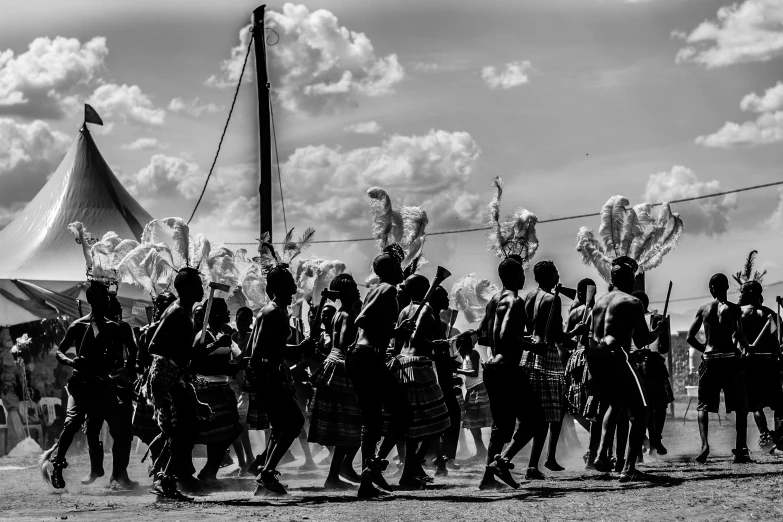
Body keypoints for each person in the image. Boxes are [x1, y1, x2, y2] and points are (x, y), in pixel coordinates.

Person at [45, 281, 135, 491]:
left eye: (107, 298)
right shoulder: (78, 325)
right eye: (102, 298)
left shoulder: (114, 328)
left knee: (119, 430)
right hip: (80, 385)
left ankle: (118, 474)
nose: (106, 301)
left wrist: (117, 368)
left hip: (103, 386)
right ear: (93, 301)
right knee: (72, 423)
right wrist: (70, 361)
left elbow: (121, 355)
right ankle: (57, 465)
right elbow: (60, 351)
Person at [587, 257, 667, 481]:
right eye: (633, 277)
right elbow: (642, 340)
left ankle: (602, 454)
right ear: (628, 279)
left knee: (615, 403)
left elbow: (593, 335)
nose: (635, 281)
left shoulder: (600, 302)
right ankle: (628, 468)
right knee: (642, 410)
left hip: (595, 358)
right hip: (617, 356)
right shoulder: (632, 302)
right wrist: (659, 330)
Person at [345, 245, 414, 498]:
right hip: (367, 357)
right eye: (397, 266)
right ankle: (374, 466)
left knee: (373, 422)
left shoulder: (381, 290)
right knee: (403, 413)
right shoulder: (386, 289)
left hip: (363, 358)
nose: (402, 269)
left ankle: (367, 479)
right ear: (388, 270)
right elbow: (362, 320)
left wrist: (396, 332)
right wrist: (395, 332)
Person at [478, 255, 548, 490]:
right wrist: (532, 345)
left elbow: (483, 336)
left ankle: (488, 478)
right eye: (519, 272)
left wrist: (517, 339)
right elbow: (507, 334)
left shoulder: (492, 301)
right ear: (510, 276)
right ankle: (503, 461)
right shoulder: (514, 301)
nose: (523, 276)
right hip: (507, 368)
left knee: (501, 425)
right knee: (536, 420)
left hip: (491, 368)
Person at [247, 260, 314, 496]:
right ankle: (266, 473)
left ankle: (265, 476)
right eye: (288, 287)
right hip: (268, 376)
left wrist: (297, 349)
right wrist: (297, 349)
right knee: (294, 422)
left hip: (269, 375)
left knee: (281, 426)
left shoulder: (272, 311)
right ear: (276, 289)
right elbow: (259, 352)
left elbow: (262, 347)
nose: (294, 291)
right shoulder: (273, 311)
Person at [146, 267, 210, 500]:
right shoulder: (176, 312)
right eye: (198, 285)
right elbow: (154, 345)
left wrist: (197, 351)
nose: (203, 288)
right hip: (166, 377)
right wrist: (189, 352)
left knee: (186, 429)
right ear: (186, 288)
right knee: (184, 429)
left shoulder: (187, 312)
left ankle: (166, 479)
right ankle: (165, 480)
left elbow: (186, 353)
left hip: (175, 377)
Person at [521, 261, 586, 476]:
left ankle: (541, 460)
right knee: (553, 411)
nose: (559, 275)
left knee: (539, 413)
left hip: (528, 353)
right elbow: (558, 335)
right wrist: (577, 330)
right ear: (549, 276)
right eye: (556, 272)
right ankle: (541, 461)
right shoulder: (552, 299)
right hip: (547, 355)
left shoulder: (529, 296)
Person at [686, 273, 751, 464]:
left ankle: (705, 445)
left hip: (710, 360)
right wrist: (746, 349)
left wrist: (705, 350)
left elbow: (690, 337)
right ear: (727, 288)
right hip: (730, 360)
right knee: (741, 406)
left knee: (703, 405)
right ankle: (740, 450)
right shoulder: (734, 309)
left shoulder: (704, 309)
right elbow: (739, 334)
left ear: (711, 289)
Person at [308, 274, 363, 489]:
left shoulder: (342, 313)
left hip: (336, 366)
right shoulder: (348, 314)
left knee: (349, 426)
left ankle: (339, 472)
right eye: (352, 289)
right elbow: (342, 343)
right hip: (342, 369)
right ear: (343, 294)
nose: (357, 291)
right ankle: (338, 472)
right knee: (351, 425)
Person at [81, 293, 138, 487]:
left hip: (119, 387)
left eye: (117, 310)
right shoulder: (93, 327)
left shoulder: (123, 328)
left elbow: (132, 352)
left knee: (122, 434)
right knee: (92, 428)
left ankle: (120, 474)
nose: (117, 314)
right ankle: (95, 467)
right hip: (97, 386)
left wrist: (127, 372)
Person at [191, 298, 244, 487]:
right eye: (224, 310)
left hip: (223, 388)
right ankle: (206, 473)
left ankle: (209, 472)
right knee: (220, 433)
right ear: (213, 314)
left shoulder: (223, 334)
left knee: (229, 432)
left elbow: (238, 358)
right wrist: (215, 346)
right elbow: (196, 361)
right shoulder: (203, 335)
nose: (228, 313)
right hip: (207, 389)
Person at [737, 281, 782, 453]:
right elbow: (775, 343)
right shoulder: (770, 315)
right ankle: (773, 435)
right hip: (768, 363)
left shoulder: (739, 315)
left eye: (742, 292)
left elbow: (736, 339)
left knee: (757, 405)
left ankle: (767, 435)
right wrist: (779, 358)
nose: (739, 295)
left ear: (750, 292)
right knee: (775, 402)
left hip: (751, 364)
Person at [133, 292, 176, 462]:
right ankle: (159, 467)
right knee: (154, 430)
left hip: (174, 385)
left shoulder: (180, 328)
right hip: (155, 388)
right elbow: (138, 363)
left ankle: (173, 471)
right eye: (166, 305)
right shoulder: (149, 332)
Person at [630, 290, 674, 457]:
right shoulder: (658, 319)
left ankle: (646, 442)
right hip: (654, 365)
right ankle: (655, 439)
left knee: (638, 408)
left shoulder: (629, 319)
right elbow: (664, 348)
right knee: (659, 405)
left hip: (635, 365)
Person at [563, 278, 600, 467]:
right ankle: (593, 452)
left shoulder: (574, 312)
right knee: (592, 410)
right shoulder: (597, 311)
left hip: (575, 358)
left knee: (578, 408)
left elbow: (565, 339)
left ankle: (593, 452)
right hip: (591, 360)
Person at [455, 329, 491, 464]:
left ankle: (482, 451)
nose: (477, 338)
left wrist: (457, 370)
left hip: (478, 388)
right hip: (473, 389)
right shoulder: (468, 354)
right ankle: (481, 451)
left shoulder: (473, 353)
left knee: (473, 423)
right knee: (472, 424)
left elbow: (474, 373)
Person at [229, 306, 256, 476]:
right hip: (234, 383)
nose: (242, 324)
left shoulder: (253, 337)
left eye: (246, 320)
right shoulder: (232, 337)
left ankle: (250, 459)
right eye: (240, 320)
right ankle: (243, 461)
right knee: (235, 423)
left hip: (249, 385)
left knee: (241, 422)